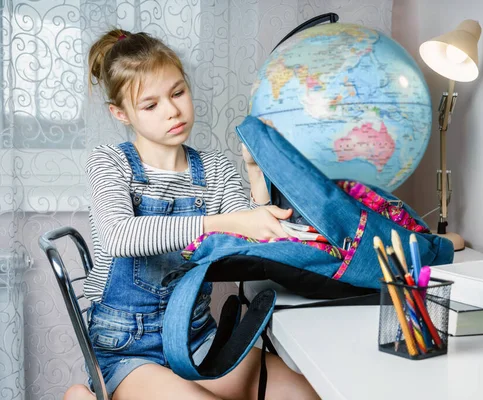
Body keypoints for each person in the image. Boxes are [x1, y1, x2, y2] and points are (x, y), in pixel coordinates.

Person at [65, 29, 319, 400]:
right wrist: (221, 223)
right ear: (120, 113)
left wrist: (255, 173)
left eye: (178, 93)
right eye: (150, 105)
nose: (172, 111)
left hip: (196, 338)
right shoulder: (110, 161)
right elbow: (118, 236)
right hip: (128, 351)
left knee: (305, 393)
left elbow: (253, 236)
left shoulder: (214, 169)